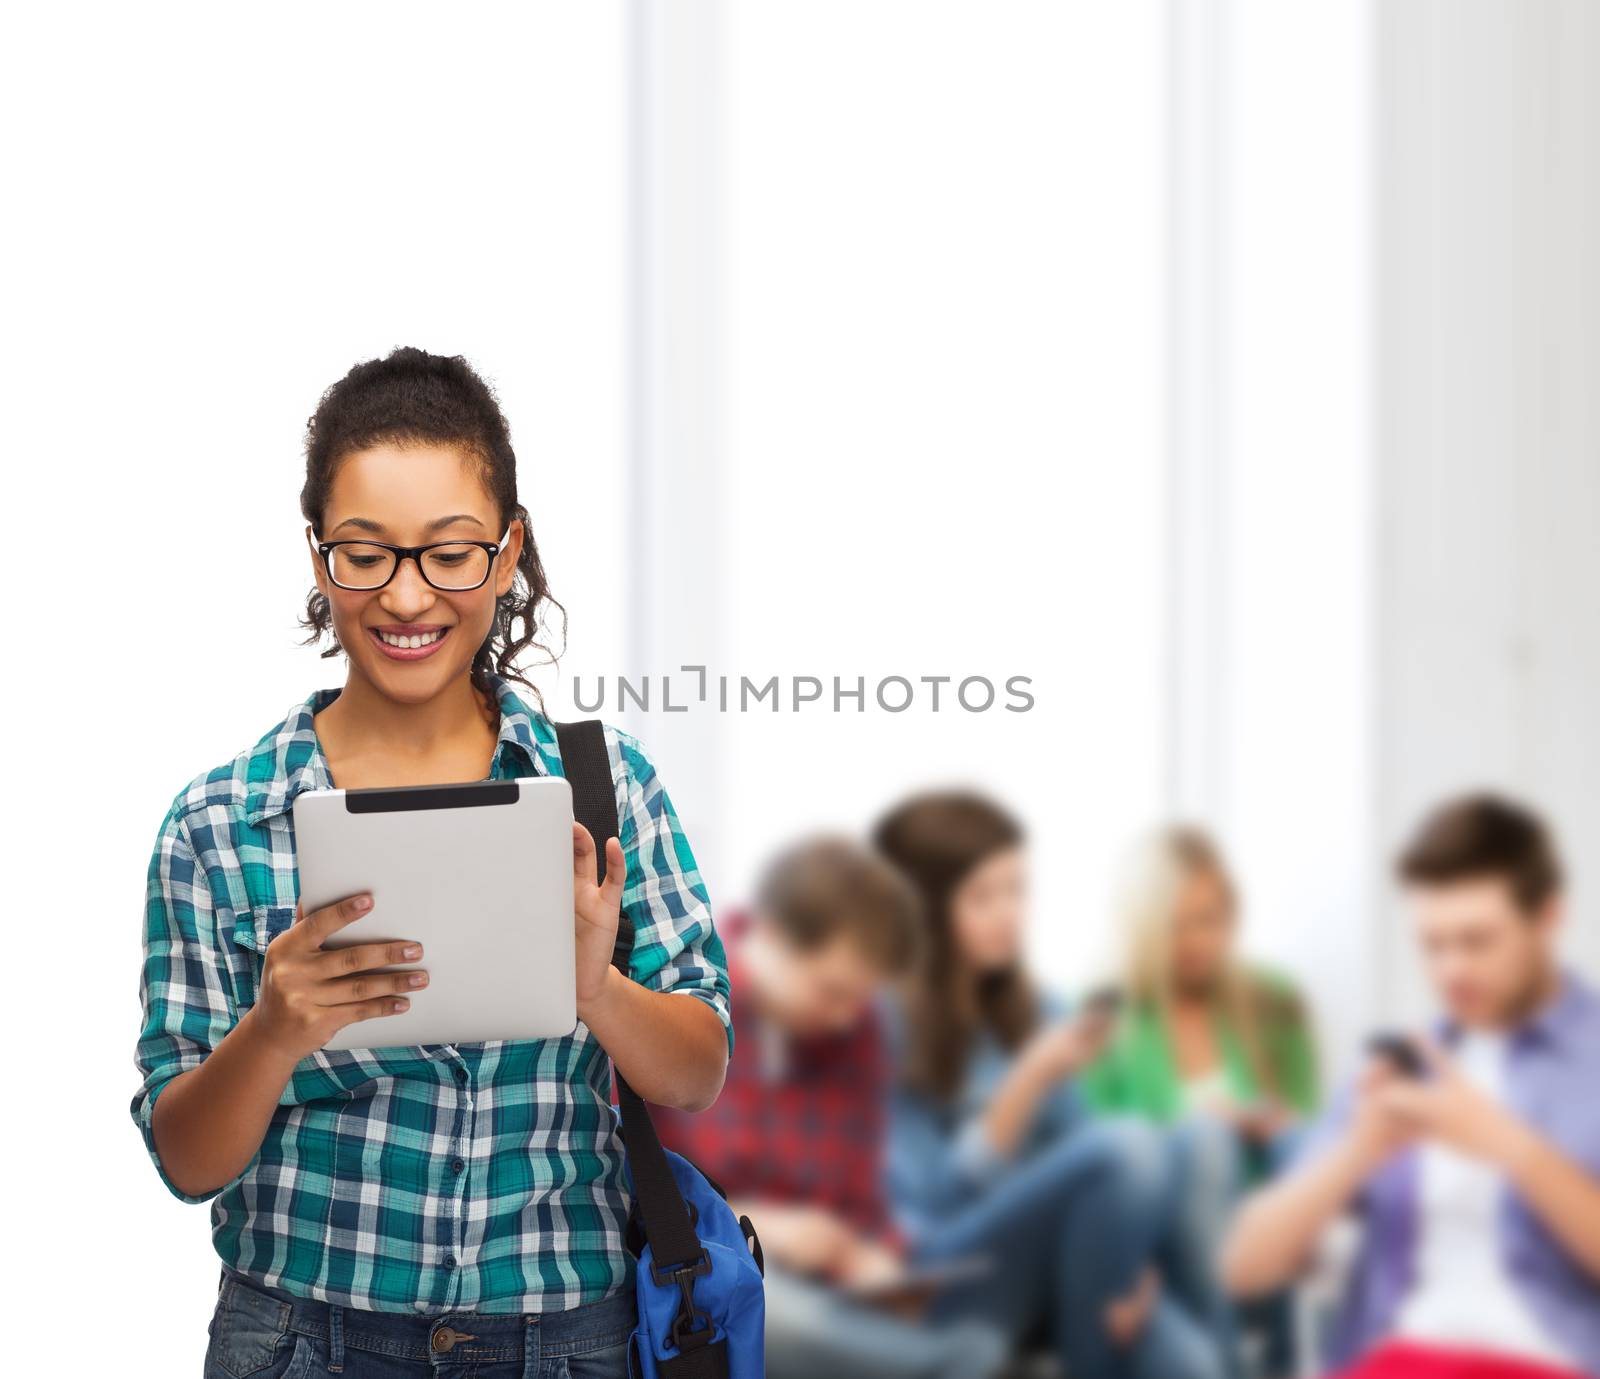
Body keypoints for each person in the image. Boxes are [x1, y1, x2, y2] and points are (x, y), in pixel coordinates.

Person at [130, 347, 734, 1379]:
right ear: (319, 556)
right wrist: (274, 1031)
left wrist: (596, 986)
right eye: (365, 553)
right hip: (300, 1340)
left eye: (450, 552)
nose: (408, 598)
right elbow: (187, 1161)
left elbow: (700, 1067)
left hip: (560, 1341)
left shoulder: (606, 785)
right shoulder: (216, 820)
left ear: (507, 552)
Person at [1222, 792, 1600, 1379]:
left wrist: (1511, 1147)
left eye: (1477, 941)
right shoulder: (1403, 1062)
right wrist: (1357, 1153)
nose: (1452, 969)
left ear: (1548, 917)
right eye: (1432, 944)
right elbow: (1243, 1266)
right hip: (1395, 1358)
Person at [873, 790, 1230, 1379]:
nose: (1010, 912)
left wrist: (1132, 1263)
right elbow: (931, 1209)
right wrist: (1028, 1081)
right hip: (951, 1274)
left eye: (1018, 889)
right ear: (925, 908)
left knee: (1191, 1361)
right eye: (984, 896)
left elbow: (1103, 1175)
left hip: (1070, 1260)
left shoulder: (1041, 1008)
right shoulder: (881, 1024)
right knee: (1130, 1143)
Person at [652, 835, 1008, 1379]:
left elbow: (862, 1193)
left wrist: (878, 1262)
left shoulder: (858, 1030)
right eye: (831, 991)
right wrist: (761, 1224)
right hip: (715, 1270)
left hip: (831, 1285)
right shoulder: (679, 1014)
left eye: (860, 998)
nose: (846, 1018)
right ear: (769, 938)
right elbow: (631, 1190)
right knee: (761, 1304)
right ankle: (945, 1364)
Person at [1080, 824, 1320, 1377]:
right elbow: (1102, 1162)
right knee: (1205, 1139)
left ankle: (1290, 1360)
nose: (1195, 942)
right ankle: (1234, 1362)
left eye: (1209, 919)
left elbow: (1312, 1128)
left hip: (1263, 1232)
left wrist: (1272, 1123)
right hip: (1164, 1250)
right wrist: (1192, 1129)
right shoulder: (1102, 1016)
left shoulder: (1273, 1002)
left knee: (1295, 1144)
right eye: (1174, 925)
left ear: (1232, 917)